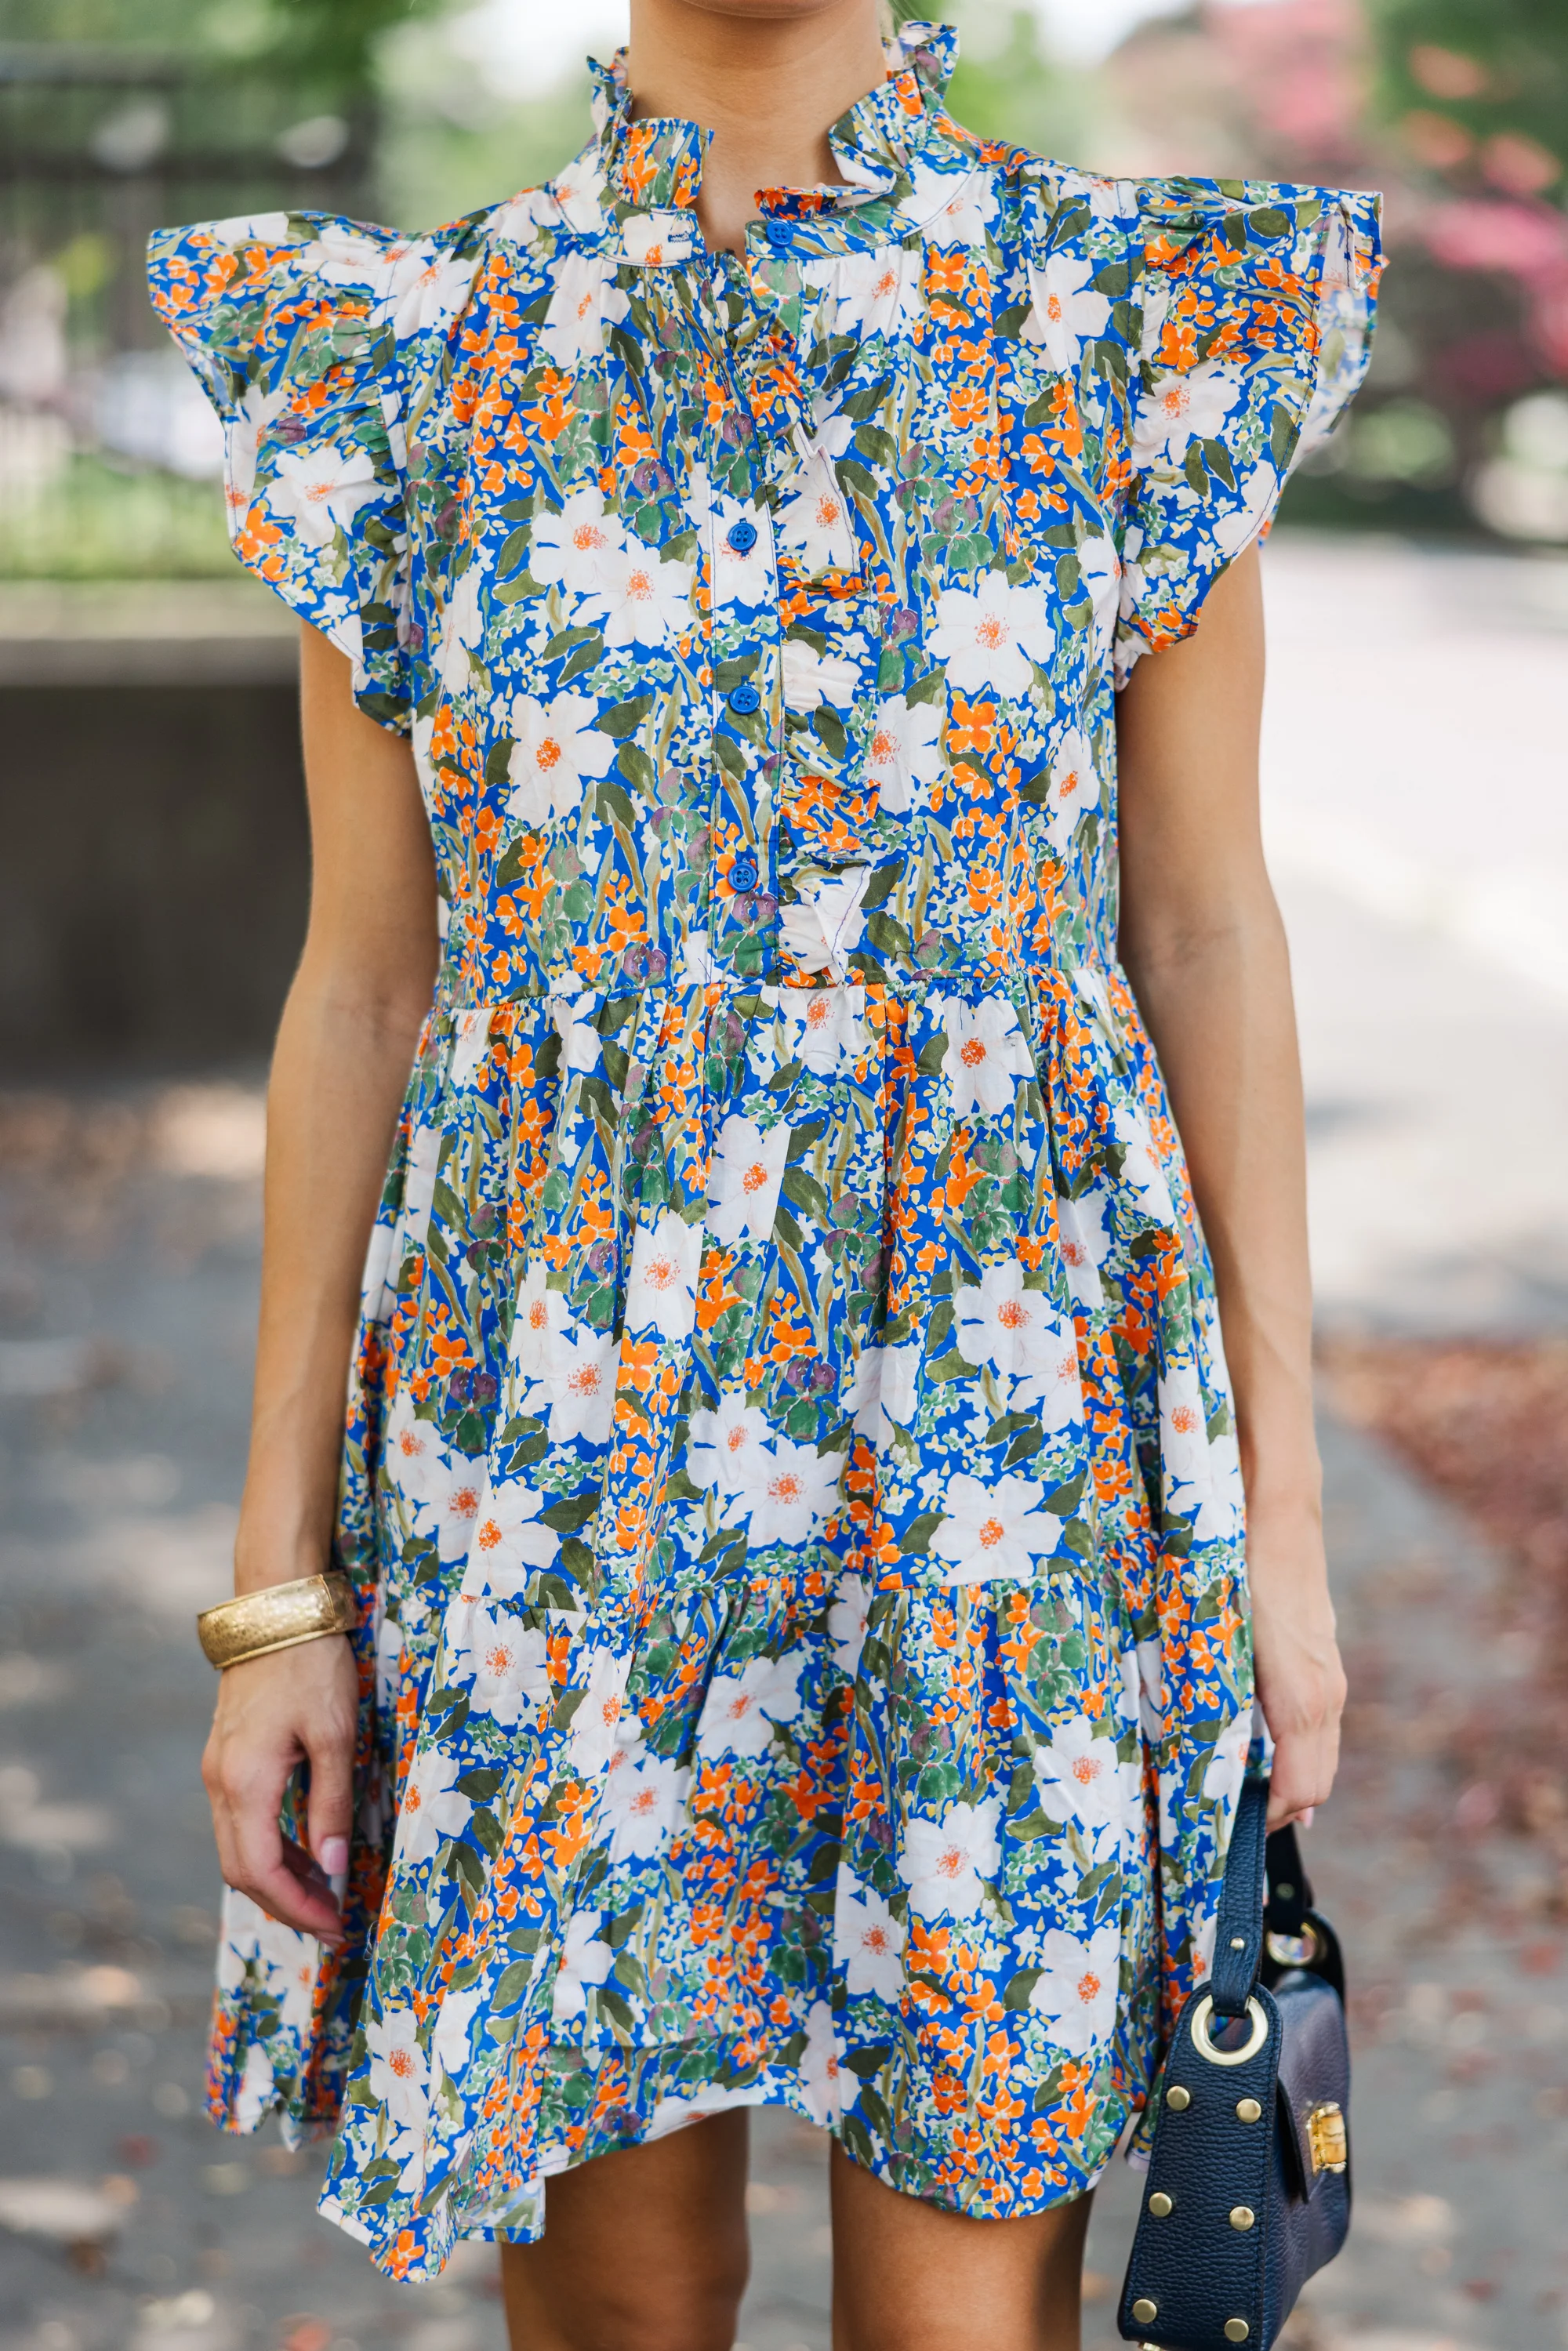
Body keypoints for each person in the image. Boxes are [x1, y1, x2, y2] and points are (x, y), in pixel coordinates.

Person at [149, 2, 1380, 2343]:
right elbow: (361, 994)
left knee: (955, 2320)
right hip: (549, 1468)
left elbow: (1204, 929)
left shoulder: (1128, 325)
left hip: (1001, 1453)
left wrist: (1281, 1539)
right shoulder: (402, 363)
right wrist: (278, 1599)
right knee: (617, 2310)